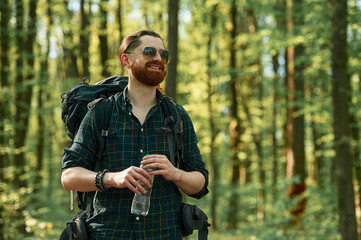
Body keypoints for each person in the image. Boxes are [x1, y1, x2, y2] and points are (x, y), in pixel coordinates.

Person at [61, 29, 209, 239]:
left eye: (163, 54)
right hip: (108, 234)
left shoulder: (177, 116)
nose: (158, 58)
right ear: (126, 60)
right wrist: (112, 178)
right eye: (149, 51)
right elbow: (68, 176)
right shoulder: (100, 113)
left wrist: (175, 173)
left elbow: (200, 181)